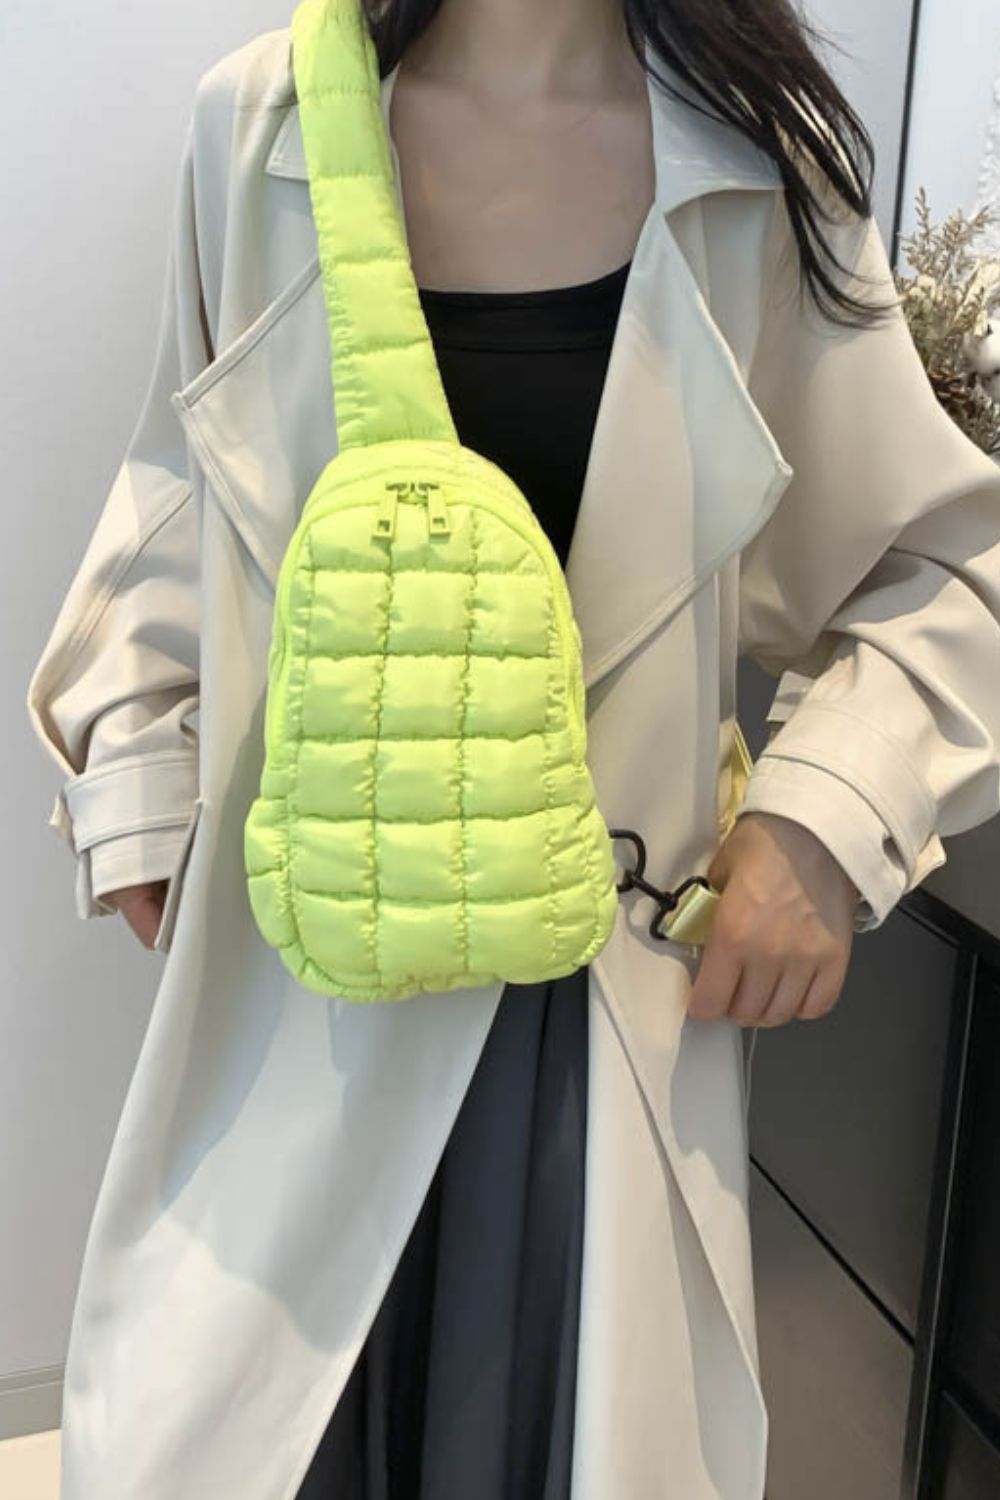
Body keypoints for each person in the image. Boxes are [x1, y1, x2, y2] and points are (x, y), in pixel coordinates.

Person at [25, 2, 1000, 1498]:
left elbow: (941, 566)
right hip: (308, 972)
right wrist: (136, 778)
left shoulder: (760, 161)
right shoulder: (263, 125)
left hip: (596, 1014)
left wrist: (823, 819)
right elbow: (176, 494)